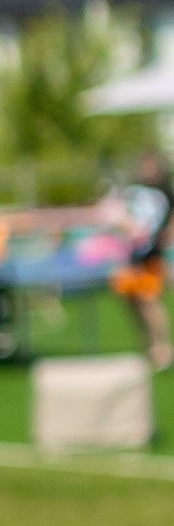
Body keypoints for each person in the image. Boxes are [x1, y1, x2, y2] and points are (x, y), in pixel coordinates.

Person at [110, 150, 171, 374]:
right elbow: (122, 217)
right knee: (130, 297)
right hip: (133, 257)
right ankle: (148, 341)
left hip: (153, 256)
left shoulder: (166, 192)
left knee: (150, 301)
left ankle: (163, 347)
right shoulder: (133, 192)